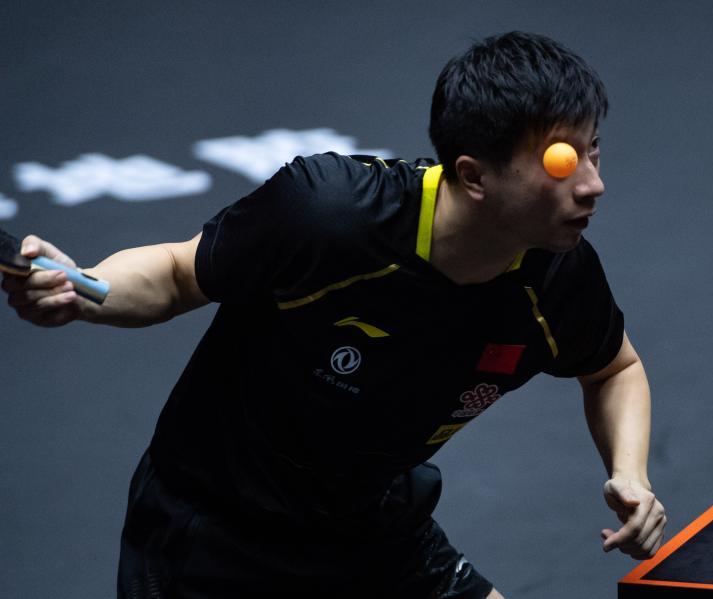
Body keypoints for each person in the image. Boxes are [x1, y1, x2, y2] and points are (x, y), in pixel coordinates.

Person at [2, 31, 665, 599]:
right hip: (213, 537)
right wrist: (84, 290)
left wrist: (629, 472)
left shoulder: (555, 278)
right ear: (473, 175)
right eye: (560, 159)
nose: (592, 183)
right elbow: (179, 272)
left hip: (368, 526)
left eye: (594, 150)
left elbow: (613, 368)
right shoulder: (329, 218)